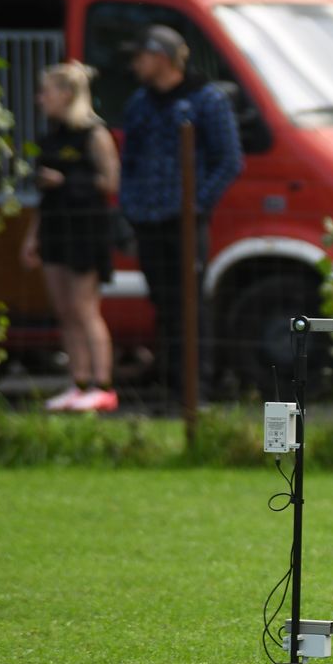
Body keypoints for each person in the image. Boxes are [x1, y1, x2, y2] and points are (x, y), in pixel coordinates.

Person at [118, 25, 243, 404]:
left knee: (190, 302)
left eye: (140, 56)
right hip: (148, 220)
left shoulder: (206, 100)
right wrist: (130, 206)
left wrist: (196, 204)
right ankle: (171, 384)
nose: (135, 64)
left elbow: (229, 160)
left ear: (162, 58)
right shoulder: (139, 103)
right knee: (163, 302)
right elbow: (130, 161)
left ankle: (197, 389)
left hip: (186, 222)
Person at [20, 63, 120, 412]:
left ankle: (103, 386)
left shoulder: (94, 135)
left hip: (85, 230)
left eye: (46, 91)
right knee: (64, 310)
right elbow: (44, 197)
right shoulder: (50, 137)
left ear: (66, 94)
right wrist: (32, 236)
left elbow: (110, 183)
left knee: (85, 308)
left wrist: (66, 181)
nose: (40, 99)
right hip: (54, 228)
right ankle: (78, 383)